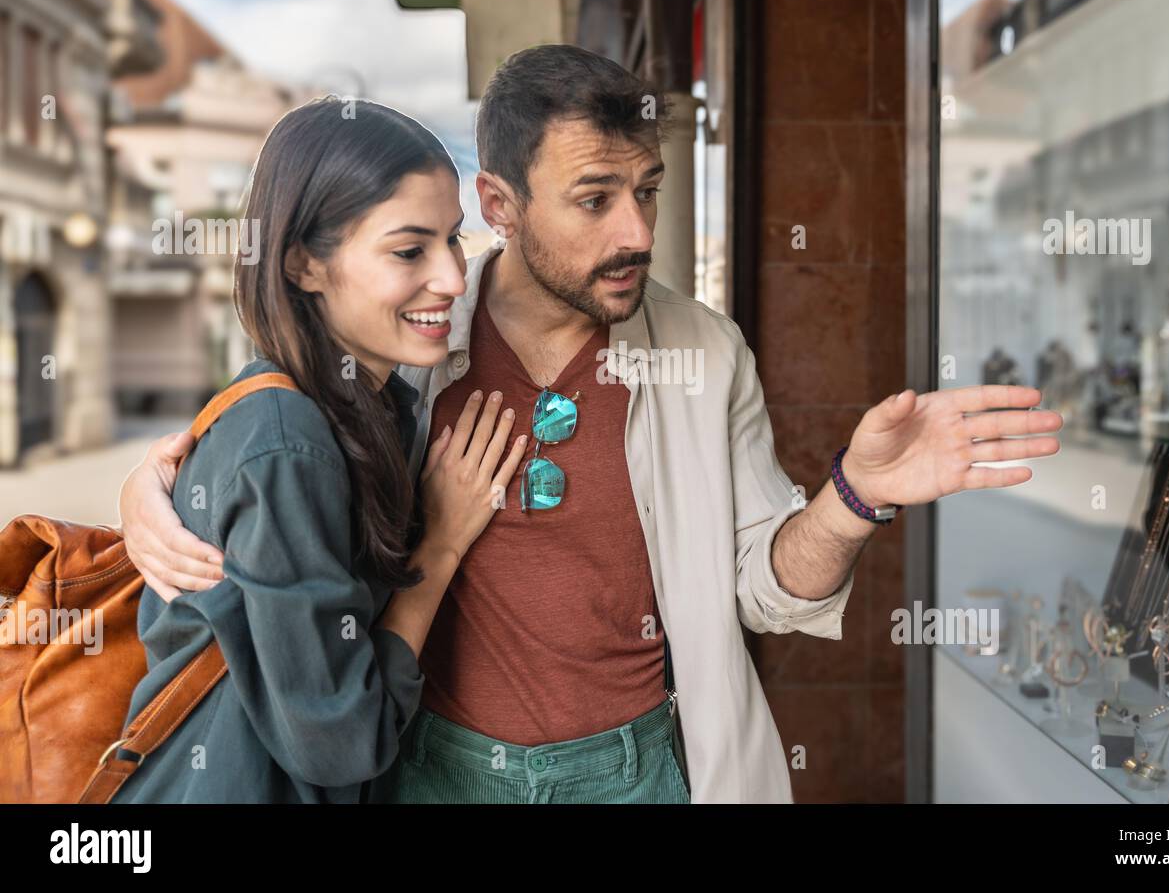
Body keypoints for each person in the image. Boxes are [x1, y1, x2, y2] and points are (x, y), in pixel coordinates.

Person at [119, 45, 1063, 803]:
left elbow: (765, 589)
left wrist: (857, 494)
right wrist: (148, 495)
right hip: (427, 769)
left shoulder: (706, 353)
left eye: (647, 190)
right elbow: (273, 484)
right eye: (594, 198)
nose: (637, 233)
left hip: (638, 773)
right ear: (501, 204)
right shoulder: (412, 345)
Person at [110, 96, 527, 801]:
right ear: (303, 263)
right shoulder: (286, 443)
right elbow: (341, 743)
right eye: (408, 250)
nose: (453, 279)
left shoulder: (368, 403)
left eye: (454, 240)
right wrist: (441, 547)